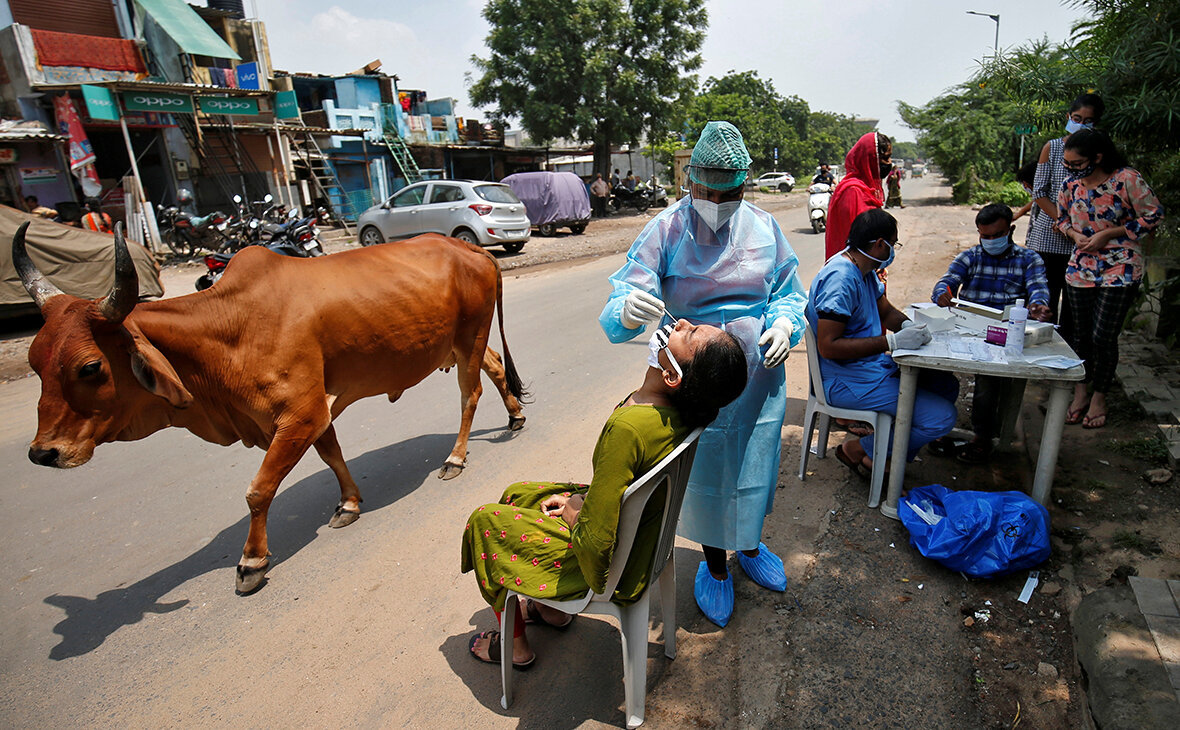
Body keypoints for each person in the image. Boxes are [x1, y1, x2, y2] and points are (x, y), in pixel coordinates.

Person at [598, 120, 808, 628]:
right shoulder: (666, 229)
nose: (715, 200)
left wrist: (784, 322)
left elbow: (789, 291)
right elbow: (621, 299)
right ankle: (715, 564)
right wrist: (626, 310)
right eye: (705, 190)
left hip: (758, 373)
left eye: (727, 191)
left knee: (755, 464)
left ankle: (750, 543)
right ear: (690, 182)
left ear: (743, 184)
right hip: (695, 374)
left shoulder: (763, 227)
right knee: (709, 471)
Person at [463, 320, 748, 668]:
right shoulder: (685, 409)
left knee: (484, 521)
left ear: (673, 377)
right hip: (640, 535)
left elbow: (597, 544)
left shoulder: (629, 428)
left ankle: (516, 646)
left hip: (613, 564)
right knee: (517, 494)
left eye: (687, 334)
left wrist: (573, 511)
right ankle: (551, 611)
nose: (681, 322)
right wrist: (580, 502)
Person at [807, 208, 959, 476]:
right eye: (893, 244)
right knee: (942, 417)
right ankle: (861, 449)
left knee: (945, 385)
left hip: (869, 369)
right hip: (846, 381)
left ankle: (884, 452)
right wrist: (893, 343)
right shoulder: (841, 279)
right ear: (879, 244)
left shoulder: (864, 270)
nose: (892, 251)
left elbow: (886, 312)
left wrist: (910, 326)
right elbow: (828, 347)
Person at [1058, 129, 1164, 429]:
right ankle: (1080, 392)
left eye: (1077, 163)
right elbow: (1062, 219)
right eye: (1068, 164)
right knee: (1079, 335)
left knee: (1103, 336)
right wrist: (1074, 233)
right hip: (1080, 267)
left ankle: (1099, 397)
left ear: (1098, 158)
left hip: (1121, 267)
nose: (1071, 169)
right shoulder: (1070, 185)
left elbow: (1153, 215)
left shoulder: (1126, 179)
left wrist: (1109, 233)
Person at [930, 203, 1052, 463]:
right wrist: (942, 293)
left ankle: (982, 438)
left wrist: (1038, 306)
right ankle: (936, 427)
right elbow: (947, 280)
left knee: (988, 379)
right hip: (965, 326)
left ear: (1011, 230)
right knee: (933, 366)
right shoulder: (970, 257)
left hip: (1003, 332)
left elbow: (1038, 289)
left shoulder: (1029, 259)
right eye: (985, 236)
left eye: (997, 236)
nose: (990, 241)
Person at [1030, 93, 1105, 344]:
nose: (1081, 124)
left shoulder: (1100, 154)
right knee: (1045, 299)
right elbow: (1039, 192)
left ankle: (1071, 357)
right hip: (1049, 236)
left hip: (1085, 241)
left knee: (1076, 305)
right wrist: (1066, 224)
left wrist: (1078, 230)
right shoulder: (1052, 148)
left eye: (1088, 120)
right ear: (1068, 118)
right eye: (1076, 118)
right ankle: (1042, 355)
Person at [825, 132, 891, 260]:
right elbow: (856, 243)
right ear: (871, 159)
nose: (889, 163)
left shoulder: (866, 190)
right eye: (885, 158)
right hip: (854, 271)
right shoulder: (853, 191)